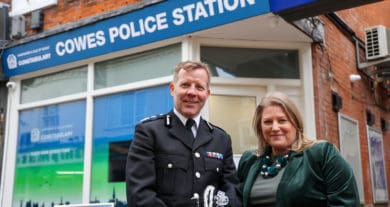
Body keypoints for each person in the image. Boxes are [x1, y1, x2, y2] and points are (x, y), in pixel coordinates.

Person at [126, 60, 242, 207]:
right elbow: (140, 195)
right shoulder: (149, 132)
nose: (192, 92)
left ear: (207, 94)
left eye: (199, 87)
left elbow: (232, 192)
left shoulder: (221, 139)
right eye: (185, 85)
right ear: (172, 89)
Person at [237, 91, 360, 207]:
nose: (275, 127)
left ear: (295, 123)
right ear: (260, 128)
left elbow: (345, 203)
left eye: (282, 120)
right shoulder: (249, 160)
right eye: (268, 122)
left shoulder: (322, 154)